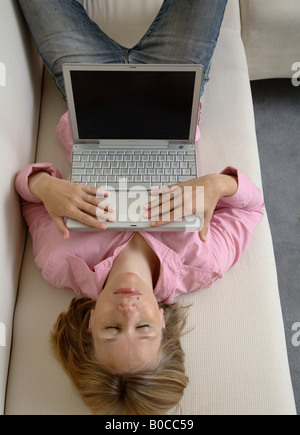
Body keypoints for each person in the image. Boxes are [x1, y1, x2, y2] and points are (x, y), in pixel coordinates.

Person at [16, 0, 265, 415]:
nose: (128, 309)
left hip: (91, 89)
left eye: (112, 328)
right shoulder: (202, 261)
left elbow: (29, 201)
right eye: (144, 327)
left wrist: (43, 185)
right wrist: (216, 185)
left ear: (90, 323)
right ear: (164, 325)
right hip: (169, 87)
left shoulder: (60, 260)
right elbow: (251, 210)